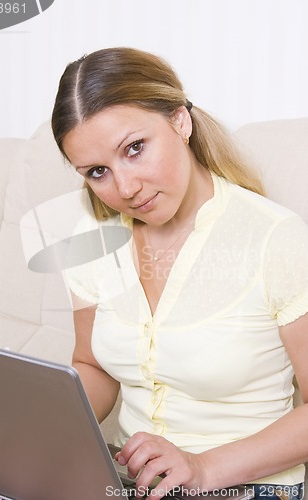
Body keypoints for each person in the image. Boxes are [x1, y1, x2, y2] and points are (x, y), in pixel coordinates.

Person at [51, 47, 308, 500]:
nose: (126, 189)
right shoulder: (90, 236)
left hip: (245, 485)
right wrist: (44, 433)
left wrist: (202, 468)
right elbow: (92, 364)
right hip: (130, 483)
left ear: (180, 122)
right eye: (97, 172)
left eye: (135, 149)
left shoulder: (276, 238)